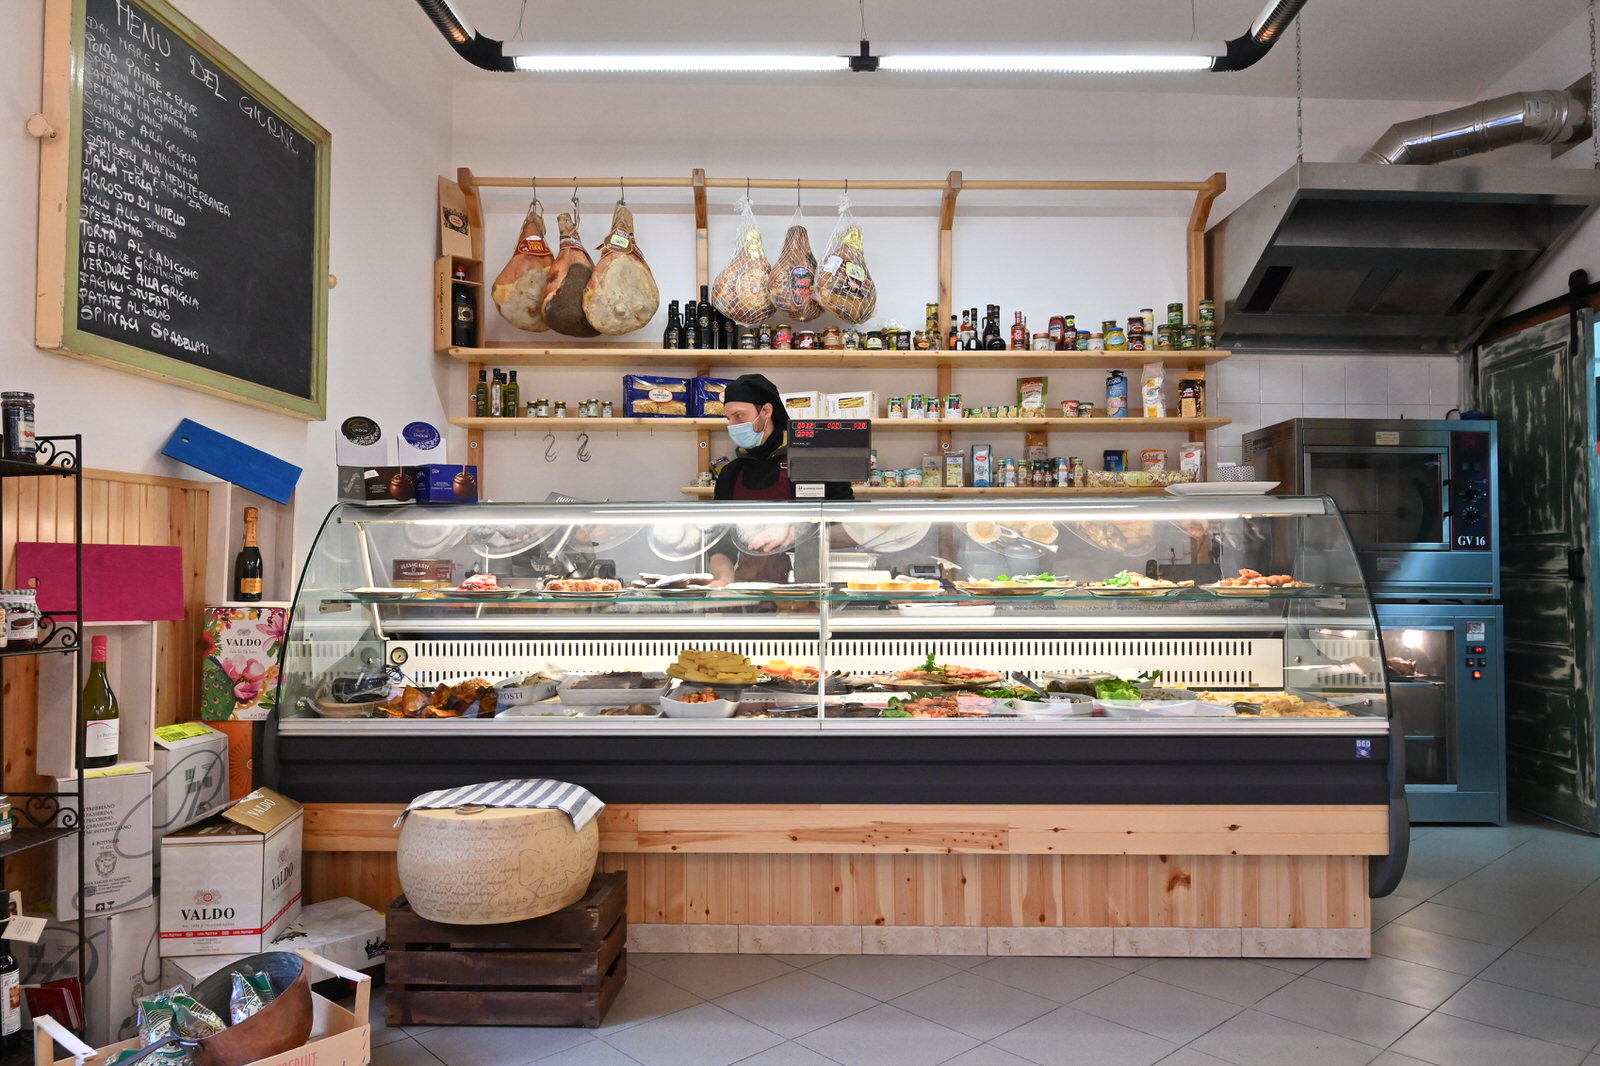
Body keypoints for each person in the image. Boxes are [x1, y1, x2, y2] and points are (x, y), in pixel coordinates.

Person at [708, 373, 852, 585]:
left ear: (766, 411)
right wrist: (723, 578)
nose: (732, 425)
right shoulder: (730, 473)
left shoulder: (814, 461)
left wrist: (797, 532)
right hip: (749, 591)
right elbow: (720, 545)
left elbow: (850, 529)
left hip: (807, 591)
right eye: (728, 418)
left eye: (739, 416)